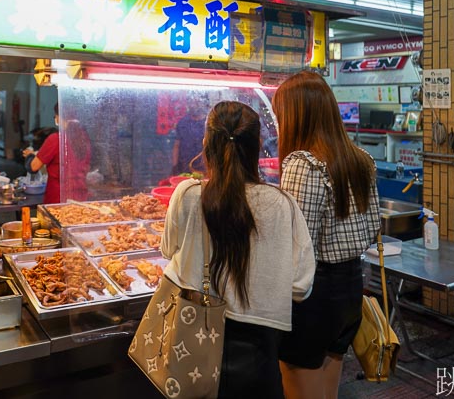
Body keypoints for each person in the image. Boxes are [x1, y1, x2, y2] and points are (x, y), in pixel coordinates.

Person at [162, 101, 315, 397]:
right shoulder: (283, 204)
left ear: (207, 143)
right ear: (258, 145)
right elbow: (301, 287)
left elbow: (169, 249)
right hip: (260, 357)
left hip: (195, 346)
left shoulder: (188, 195)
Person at [271, 71, 380, 399]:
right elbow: (373, 226)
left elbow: (296, 246)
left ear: (296, 116)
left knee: (299, 391)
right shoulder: (360, 159)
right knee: (327, 391)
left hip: (313, 298)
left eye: (280, 115)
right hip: (349, 289)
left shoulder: (303, 164)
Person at [22, 103, 91, 203]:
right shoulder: (85, 139)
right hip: (80, 197)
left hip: (58, 198)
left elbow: (33, 167)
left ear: (59, 117)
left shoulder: (56, 139)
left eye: (55, 116)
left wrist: (29, 156)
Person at [171, 101, 207, 175]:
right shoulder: (183, 122)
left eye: (197, 102)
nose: (194, 105)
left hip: (205, 167)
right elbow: (176, 145)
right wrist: (175, 166)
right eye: (191, 102)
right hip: (185, 166)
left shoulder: (209, 122)